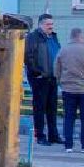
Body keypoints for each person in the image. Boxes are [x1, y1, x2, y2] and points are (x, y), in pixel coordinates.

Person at [54, 27, 84, 153]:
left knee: (69, 117)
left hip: (68, 89)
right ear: (81, 36)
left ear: (71, 36)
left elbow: (57, 70)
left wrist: (61, 83)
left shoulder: (62, 51)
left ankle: (68, 145)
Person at [25, 14, 62, 147]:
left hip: (53, 78)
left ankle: (53, 135)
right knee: (39, 108)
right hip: (40, 78)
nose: (51, 27)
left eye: (52, 24)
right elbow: (28, 56)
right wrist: (36, 73)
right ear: (40, 24)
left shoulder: (53, 37)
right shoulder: (33, 37)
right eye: (48, 24)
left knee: (52, 108)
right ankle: (40, 135)